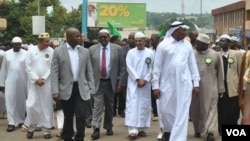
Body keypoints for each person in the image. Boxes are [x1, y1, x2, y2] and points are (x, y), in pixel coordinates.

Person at [152, 21, 200, 141]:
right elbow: (156, 68)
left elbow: (192, 66)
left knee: (182, 112)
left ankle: (178, 138)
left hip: (184, 84)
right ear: (175, 31)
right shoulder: (163, 45)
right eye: (183, 30)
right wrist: (155, 86)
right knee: (166, 110)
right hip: (166, 84)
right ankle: (168, 132)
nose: (185, 32)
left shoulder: (187, 45)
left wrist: (196, 84)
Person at [51, 28, 94, 141]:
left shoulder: (85, 51)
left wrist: (91, 88)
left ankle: (80, 137)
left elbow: (89, 71)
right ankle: (67, 137)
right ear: (69, 37)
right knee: (68, 116)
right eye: (76, 36)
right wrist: (55, 91)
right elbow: (54, 72)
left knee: (81, 115)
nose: (79, 38)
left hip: (81, 88)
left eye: (80, 36)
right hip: (65, 89)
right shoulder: (58, 51)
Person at [89, 29, 123, 140]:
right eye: (101, 37)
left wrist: (119, 83)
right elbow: (88, 68)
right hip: (97, 82)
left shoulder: (117, 49)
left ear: (109, 37)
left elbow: (122, 68)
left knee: (110, 107)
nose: (103, 39)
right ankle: (96, 128)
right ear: (98, 39)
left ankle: (108, 126)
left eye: (105, 37)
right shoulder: (92, 49)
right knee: (97, 106)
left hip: (111, 83)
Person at [190, 33, 225, 141]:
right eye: (196, 43)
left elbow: (220, 73)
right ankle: (198, 129)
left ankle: (210, 132)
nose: (196, 46)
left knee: (211, 109)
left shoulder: (215, 54)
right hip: (194, 88)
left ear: (206, 44)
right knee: (195, 110)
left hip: (211, 87)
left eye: (199, 44)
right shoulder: (191, 54)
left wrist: (220, 88)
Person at [24, 32, 54, 139]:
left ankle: (46, 130)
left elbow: (52, 67)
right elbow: (28, 67)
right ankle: (31, 128)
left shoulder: (51, 51)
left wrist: (44, 78)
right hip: (34, 83)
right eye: (46, 41)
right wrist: (36, 79)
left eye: (48, 41)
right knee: (31, 105)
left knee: (46, 106)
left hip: (46, 83)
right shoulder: (31, 50)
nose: (48, 43)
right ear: (40, 41)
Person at [125, 31, 154, 140]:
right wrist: (137, 79)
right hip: (134, 83)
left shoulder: (150, 53)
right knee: (133, 104)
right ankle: (133, 129)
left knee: (144, 104)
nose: (138, 43)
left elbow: (153, 68)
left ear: (144, 41)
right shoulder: (131, 53)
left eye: (140, 41)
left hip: (145, 84)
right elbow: (129, 67)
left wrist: (145, 79)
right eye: (136, 41)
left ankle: (142, 128)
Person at [0, 36, 27, 132]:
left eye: (19, 44)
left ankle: (21, 121)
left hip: (22, 81)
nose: (18, 46)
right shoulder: (7, 54)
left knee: (21, 102)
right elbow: (3, 70)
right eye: (16, 44)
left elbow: (28, 70)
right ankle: (11, 123)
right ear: (12, 44)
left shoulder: (26, 54)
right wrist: (2, 84)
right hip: (9, 81)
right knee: (10, 101)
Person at [217, 34, 242, 136]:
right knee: (222, 108)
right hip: (221, 87)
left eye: (224, 41)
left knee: (233, 109)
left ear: (229, 43)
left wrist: (241, 87)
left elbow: (240, 70)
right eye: (220, 41)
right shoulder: (216, 54)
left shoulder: (236, 54)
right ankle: (221, 128)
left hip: (233, 87)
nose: (221, 43)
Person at [117, 32, 136, 118]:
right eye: (130, 38)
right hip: (125, 79)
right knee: (127, 100)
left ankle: (135, 116)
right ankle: (129, 117)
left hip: (137, 80)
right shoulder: (123, 50)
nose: (131, 40)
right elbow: (121, 66)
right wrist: (120, 81)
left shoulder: (141, 50)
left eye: (133, 38)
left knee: (135, 100)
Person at [150, 33, 164, 140]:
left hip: (166, 83)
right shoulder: (150, 51)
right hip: (155, 82)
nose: (151, 41)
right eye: (150, 40)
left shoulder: (163, 50)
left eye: (153, 40)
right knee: (160, 107)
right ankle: (162, 130)